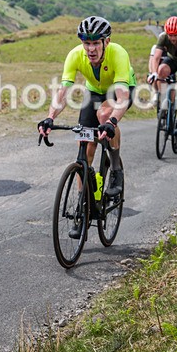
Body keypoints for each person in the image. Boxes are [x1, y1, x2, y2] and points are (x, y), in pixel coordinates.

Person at [38, 16, 136, 237]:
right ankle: (84, 206)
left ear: (106, 42)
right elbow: (62, 93)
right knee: (85, 146)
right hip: (94, 91)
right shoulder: (75, 55)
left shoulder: (118, 53)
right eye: (86, 42)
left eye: (95, 42)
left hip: (121, 89)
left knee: (104, 115)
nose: (90, 48)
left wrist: (112, 122)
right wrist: (50, 117)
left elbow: (121, 97)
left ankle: (116, 169)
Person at [146, 16, 177, 149]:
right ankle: (165, 101)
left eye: (175, 35)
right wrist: (153, 73)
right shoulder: (163, 37)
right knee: (161, 70)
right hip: (173, 61)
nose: (173, 38)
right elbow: (156, 58)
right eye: (170, 35)